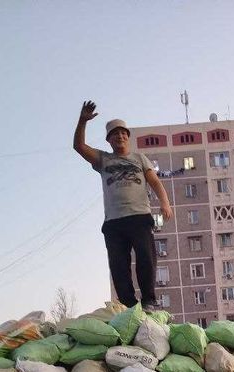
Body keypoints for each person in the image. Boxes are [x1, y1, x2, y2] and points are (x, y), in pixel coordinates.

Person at [73, 100, 172, 309]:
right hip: (114, 221)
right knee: (118, 265)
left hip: (139, 216)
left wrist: (165, 203)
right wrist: (83, 121)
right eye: (115, 134)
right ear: (109, 140)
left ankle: (149, 301)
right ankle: (128, 304)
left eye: (123, 133)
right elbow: (79, 147)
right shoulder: (103, 159)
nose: (120, 136)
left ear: (128, 137)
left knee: (146, 257)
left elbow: (155, 181)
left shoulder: (139, 158)